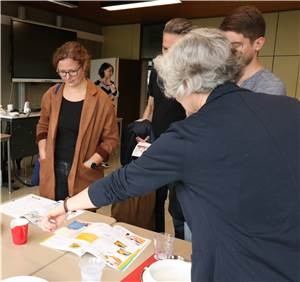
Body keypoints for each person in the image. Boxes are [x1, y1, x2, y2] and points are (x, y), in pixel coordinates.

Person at [42, 28, 299, 281]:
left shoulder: (190, 135)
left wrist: (66, 205)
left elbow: (122, 183)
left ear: (186, 83)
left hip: (237, 268)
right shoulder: (290, 108)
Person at [36, 41, 119, 201]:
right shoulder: (51, 95)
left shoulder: (101, 100)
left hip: (83, 171)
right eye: (62, 72)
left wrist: (91, 163)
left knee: (80, 221)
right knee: (52, 218)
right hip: (53, 169)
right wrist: (43, 152)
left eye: (73, 71)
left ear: (84, 66)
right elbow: (42, 125)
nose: (67, 77)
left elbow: (111, 139)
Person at [142, 18, 194, 238]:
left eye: (173, 49)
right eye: (164, 48)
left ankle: (184, 249)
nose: (167, 54)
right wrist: (143, 127)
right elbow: (151, 105)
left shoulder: (196, 77)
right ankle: (156, 242)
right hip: (156, 143)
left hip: (183, 149)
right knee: (153, 199)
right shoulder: (157, 71)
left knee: (179, 207)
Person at [220, 5, 286, 96]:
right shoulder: (220, 78)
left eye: (235, 45)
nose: (227, 51)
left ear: (258, 44)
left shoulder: (271, 87)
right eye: (224, 45)